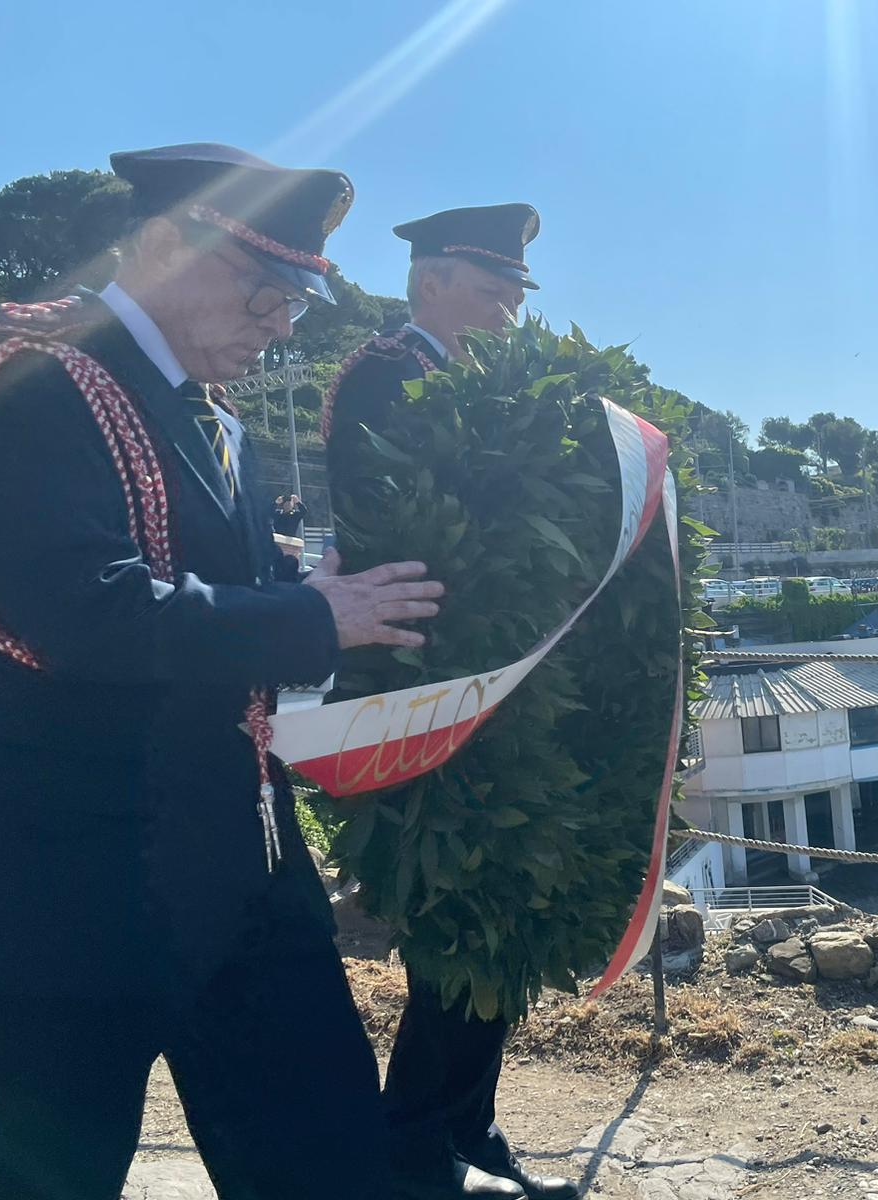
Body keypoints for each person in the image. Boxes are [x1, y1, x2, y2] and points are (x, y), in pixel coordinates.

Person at [0, 143, 446, 1200]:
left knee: (330, 1159)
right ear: (167, 244)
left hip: (239, 863)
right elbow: (86, 612)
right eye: (266, 290)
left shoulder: (214, 418)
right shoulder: (38, 383)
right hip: (83, 882)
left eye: (296, 304)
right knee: (52, 1181)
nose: (281, 325)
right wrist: (313, 616)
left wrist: (318, 594)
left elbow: (225, 590)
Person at [324, 205, 577, 1200]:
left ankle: (464, 1130)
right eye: (492, 289)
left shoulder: (479, 383)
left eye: (516, 292)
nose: (512, 310)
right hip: (422, 676)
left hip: (486, 672)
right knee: (456, 915)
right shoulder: (387, 373)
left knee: (496, 909)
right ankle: (422, 1146)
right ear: (430, 282)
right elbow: (407, 523)